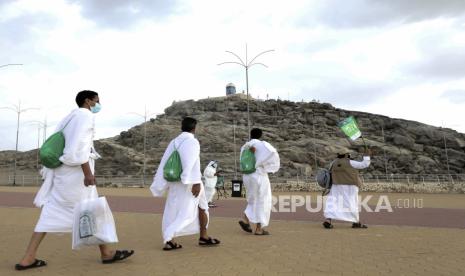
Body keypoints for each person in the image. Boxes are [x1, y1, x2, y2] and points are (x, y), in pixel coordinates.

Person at [15, 90, 134, 271]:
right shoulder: (85, 116)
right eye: (97, 100)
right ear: (88, 101)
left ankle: (28, 258)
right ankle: (107, 253)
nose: (99, 104)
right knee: (91, 210)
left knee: (56, 212)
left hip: (64, 175)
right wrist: (87, 173)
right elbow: (78, 149)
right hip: (76, 175)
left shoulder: (70, 117)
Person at [150, 117, 220, 250]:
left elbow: (164, 162)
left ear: (182, 127)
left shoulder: (174, 142)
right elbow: (193, 162)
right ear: (194, 128)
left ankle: (191, 238)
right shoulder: (192, 142)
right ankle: (172, 236)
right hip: (190, 182)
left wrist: (162, 181)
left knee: (174, 209)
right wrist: (195, 182)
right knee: (192, 210)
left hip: (175, 181)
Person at [238, 128, 280, 235]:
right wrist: (268, 168)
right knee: (263, 200)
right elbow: (273, 154)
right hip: (258, 175)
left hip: (247, 176)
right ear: (260, 135)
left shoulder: (244, 146)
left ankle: (246, 219)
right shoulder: (262, 145)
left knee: (253, 199)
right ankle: (258, 228)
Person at [323, 148, 371, 229]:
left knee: (332, 202)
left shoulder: (333, 163)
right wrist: (367, 155)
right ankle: (356, 222)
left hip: (336, 186)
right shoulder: (351, 162)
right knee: (352, 203)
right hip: (350, 186)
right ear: (346, 155)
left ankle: (328, 220)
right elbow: (364, 164)